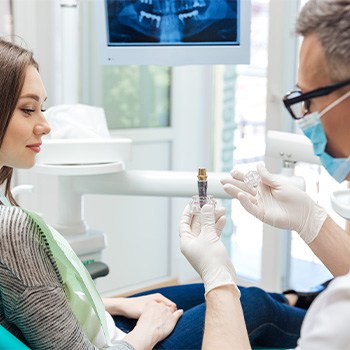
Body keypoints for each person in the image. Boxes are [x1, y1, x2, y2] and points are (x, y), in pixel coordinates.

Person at [0, 36, 305, 350]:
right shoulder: (11, 228)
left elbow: (40, 305)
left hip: (99, 324)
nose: (45, 125)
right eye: (28, 110)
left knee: (236, 293)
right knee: (253, 304)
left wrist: (116, 304)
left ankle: (304, 299)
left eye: (42, 108)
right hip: (120, 343)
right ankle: (330, 320)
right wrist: (146, 331)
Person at [181, 0, 350, 349]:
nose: (305, 118)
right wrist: (311, 220)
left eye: (309, 99)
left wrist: (219, 281)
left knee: (255, 304)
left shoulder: (338, 319)